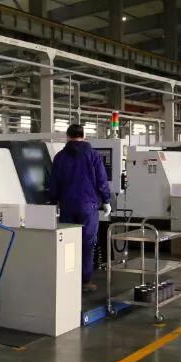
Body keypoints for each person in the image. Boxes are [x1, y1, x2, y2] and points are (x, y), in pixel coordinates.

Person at [47, 124, 111, 293]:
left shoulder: (60, 157)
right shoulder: (94, 155)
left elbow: (54, 181)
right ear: (84, 136)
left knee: (67, 243)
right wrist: (106, 200)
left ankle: (67, 280)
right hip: (88, 206)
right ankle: (85, 281)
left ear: (67, 136)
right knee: (87, 244)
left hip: (67, 205)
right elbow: (102, 180)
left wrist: (53, 201)